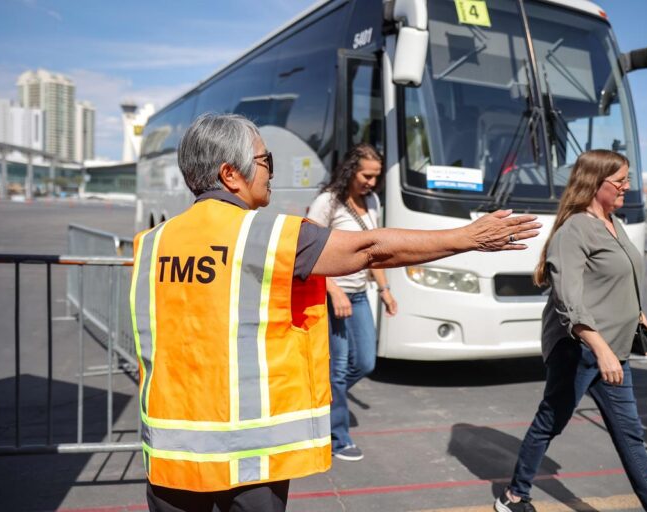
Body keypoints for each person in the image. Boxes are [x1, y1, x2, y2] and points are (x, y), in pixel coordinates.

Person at [130, 113, 541, 512]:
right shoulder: (268, 235)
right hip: (245, 460)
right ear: (230, 174)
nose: (271, 172)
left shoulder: (152, 242)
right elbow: (370, 248)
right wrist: (467, 237)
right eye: (265, 161)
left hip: (171, 453)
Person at [494, 150, 647, 512]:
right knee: (551, 421)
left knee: (631, 438)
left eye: (626, 179)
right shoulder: (574, 229)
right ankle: (514, 497)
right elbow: (568, 299)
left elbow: (614, 277)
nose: (627, 186)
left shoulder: (612, 222)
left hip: (613, 351)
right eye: (619, 180)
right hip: (580, 350)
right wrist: (600, 348)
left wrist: (636, 313)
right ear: (595, 183)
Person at [307, 143, 397, 462]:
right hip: (333, 297)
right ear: (350, 170)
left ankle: (323, 400)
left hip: (359, 295)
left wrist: (385, 290)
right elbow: (310, 253)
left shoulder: (371, 201)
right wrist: (333, 289)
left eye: (375, 176)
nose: (371, 182)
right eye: (366, 175)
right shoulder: (327, 203)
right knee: (340, 367)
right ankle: (337, 436)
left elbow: (371, 251)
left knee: (366, 363)